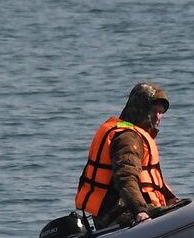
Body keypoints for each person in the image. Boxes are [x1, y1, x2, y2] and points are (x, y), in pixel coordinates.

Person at [74, 81, 177, 229]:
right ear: (141, 109)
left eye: (161, 113)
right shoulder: (127, 138)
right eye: (154, 111)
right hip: (118, 213)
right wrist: (140, 211)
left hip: (128, 210)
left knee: (183, 205)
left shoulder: (135, 135)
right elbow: (126, 177)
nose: (158, 117)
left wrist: (169, 199)